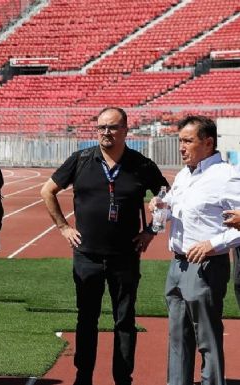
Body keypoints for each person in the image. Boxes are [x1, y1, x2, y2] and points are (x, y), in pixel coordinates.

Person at [40, 107, 168, 385]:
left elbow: (165, 196)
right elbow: (47, 190)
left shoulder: (141, 164)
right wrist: (63, 227)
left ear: (125, 130)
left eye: (112, 127)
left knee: (124, 321)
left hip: (125, 256)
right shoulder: (81, 159)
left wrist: (150, 231)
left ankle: (123, 378)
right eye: (101, 128)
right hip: (87, 257)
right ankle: (83, 376)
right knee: (87, 320)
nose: (106, 133)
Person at [149, 115, 240, 385]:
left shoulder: (226, 176)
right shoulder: (184, 176)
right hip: (177, 264)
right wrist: (161, 207)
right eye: (180, 141)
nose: (181, 147)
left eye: (188, 141)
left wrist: (213, 244)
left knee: (207, 338)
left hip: (206, 266)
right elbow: (174, 211)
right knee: (177, 337)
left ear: (208, 143)